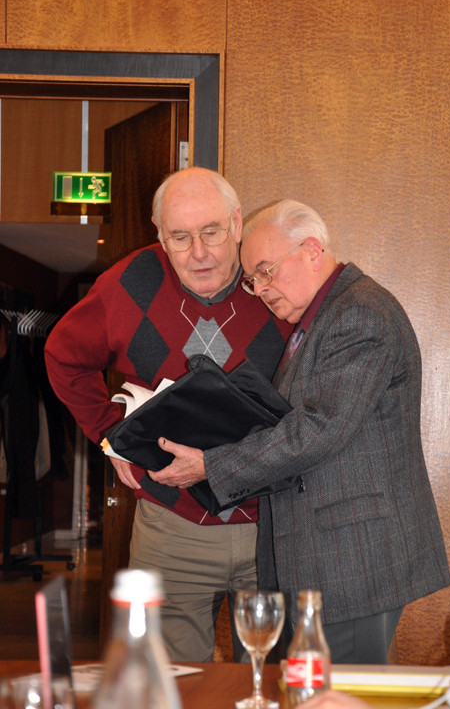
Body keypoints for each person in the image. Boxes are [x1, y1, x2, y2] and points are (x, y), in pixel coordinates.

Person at [149, 198, 450, 664]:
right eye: (253, 280)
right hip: (327, 556)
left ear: (311, 250)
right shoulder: (325, 316)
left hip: (353, 559)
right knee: (313, 688)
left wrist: (211, 464)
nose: (260, 290)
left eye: (266, 272)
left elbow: (319, 428)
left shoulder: (360, 314)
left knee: (338, 690)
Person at [44, 168, 291, 662]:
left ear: (237, 223)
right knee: (166, 679)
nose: (199, 253)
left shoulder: (274, 278)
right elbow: (63, 356)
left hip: (276, 523)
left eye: (211, 232)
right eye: (180, 237)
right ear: (160, 235)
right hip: (170, 525)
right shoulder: (128, 283)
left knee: (274, 678)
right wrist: (111, 435)